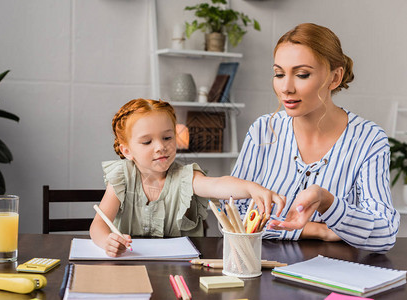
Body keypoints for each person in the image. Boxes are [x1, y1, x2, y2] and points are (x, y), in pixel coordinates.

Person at [231, 23, 399, 252]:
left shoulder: (368, 139)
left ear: (335, 77)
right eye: (279, 74)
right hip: (262, 273)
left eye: (302, 74)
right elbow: (231, 215)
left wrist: (328, 202)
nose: (286, 88)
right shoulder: (263, 130)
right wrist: (316, 230)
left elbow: (385, 234)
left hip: (336, 276)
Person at [90, 98, 285, 257]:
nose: (160, 146)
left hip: (180, 267)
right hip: (129, 266)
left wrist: (252, 189)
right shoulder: (122, 177)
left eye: (167, 137)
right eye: (147, 141)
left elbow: (218, 184)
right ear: (127, 151)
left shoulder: (186, 177)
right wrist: (107, 241)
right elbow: (98, 224)